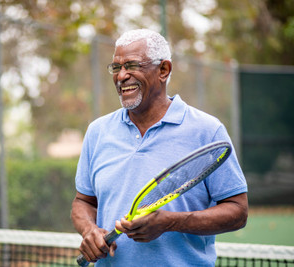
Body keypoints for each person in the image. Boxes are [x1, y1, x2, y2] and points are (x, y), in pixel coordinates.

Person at [71, 29, 248, 266]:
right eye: (116, 67)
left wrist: (170, 221)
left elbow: (237, 211)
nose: (121, 76)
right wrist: (89, 230)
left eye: (132, 65)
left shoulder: (207, 130)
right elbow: (83, 202)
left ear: (163, 70)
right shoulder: (97, 132)